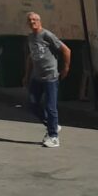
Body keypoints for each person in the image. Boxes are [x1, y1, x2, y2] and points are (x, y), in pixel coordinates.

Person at [23, 11, 71, 148]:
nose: (32, 22)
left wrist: (65, 68)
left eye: (35, 20)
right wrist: (26, 75)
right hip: (37, 77)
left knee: (51, 107)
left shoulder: (47, 35)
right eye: (30, 20)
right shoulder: (30, 37)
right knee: (32, 104)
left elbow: (66, 50)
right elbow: (31, 57)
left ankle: (54, 137)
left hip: (50, 77)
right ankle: (53, 125)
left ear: (40, 21)